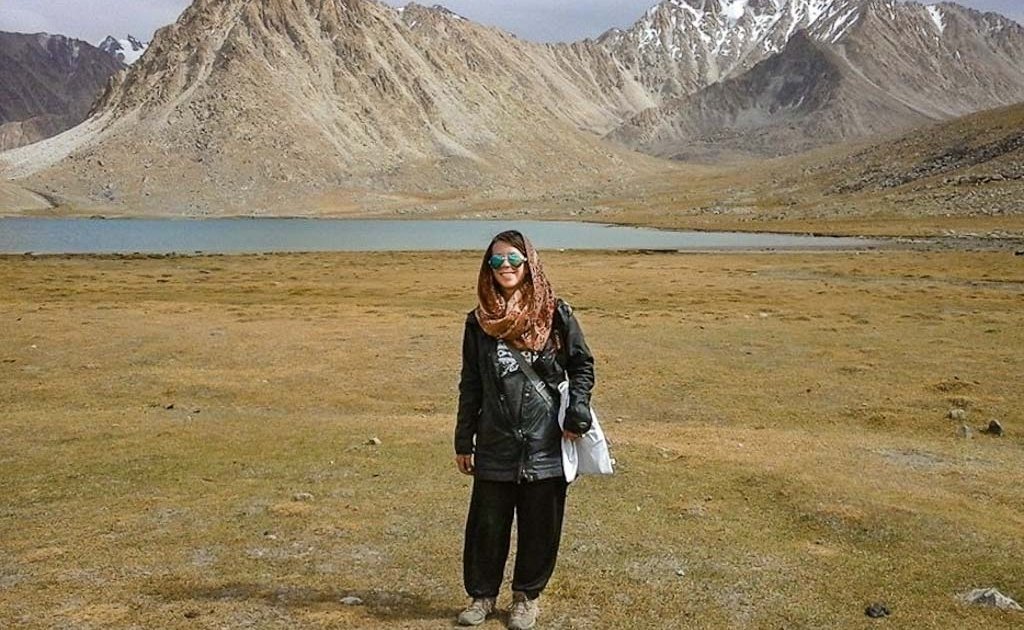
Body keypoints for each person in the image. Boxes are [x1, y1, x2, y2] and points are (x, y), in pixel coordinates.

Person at [454, 230, 595, 629]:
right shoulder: (478, 322)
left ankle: (525, 597)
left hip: (545, 440)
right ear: (488, 267)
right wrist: (465, 438)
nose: (506, 268)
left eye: (514, 260)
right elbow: (471, 383)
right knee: (487, 524)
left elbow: (582, 365)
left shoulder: (556, 313)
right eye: (497, 261)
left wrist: (578, 409)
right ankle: (481, 596)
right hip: (495, 439)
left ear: (529, 263)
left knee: (540, 525)